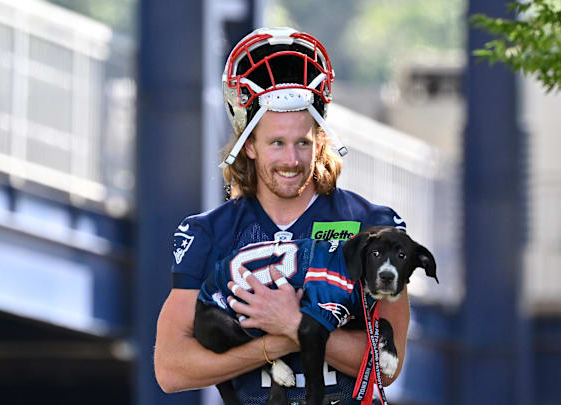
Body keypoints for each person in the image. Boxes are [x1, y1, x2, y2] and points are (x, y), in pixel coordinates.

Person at [154, 27, 411, 404]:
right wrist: (271, 345)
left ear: (320, 138)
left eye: (302, 142)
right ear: (250, 145)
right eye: (276, 143)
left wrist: (295, 323)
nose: (291, 160)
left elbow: (390, 367)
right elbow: (171, 368)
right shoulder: (210, 232)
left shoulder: (372, 225)